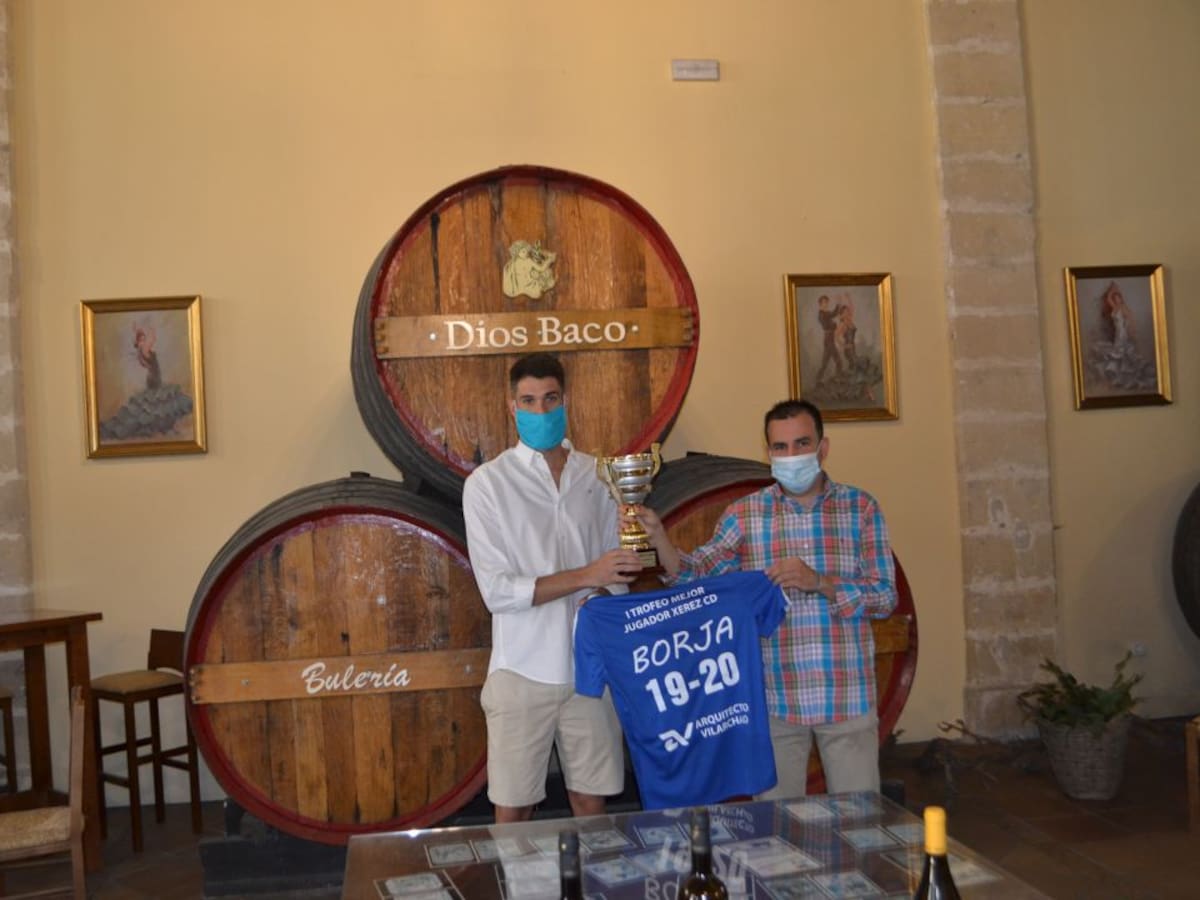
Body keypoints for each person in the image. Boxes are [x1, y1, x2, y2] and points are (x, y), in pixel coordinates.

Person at [638, 399, 897, 797]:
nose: (791, 455)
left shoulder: (860, 508)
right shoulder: (745, 514)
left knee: (858, 819)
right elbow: (694, 576)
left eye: (801, 444)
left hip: (846, 695)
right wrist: (658, 537)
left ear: (823, 448)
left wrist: (821, 583)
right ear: (768, 453)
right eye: (780, 447)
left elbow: (885, 596)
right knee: (776, 823)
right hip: (775, 700)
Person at [462, 352, 641, 823]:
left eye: (550, 399)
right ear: (511, 407)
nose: (540, 411)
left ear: (566, 401)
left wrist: (615, 575)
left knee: (592, 805)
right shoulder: (487, 484)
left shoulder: (598, 474)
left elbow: (615, 571)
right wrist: (587, 576)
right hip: (521, 671)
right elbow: (498, 592)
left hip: (590, 672)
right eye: (528, 401)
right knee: (513, 810)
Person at [814, 295, 845, 386]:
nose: (826, 304)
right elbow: (833, 315)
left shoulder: (825, 313)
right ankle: (838, 378)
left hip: (829, 339)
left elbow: (833, 315)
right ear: (820, 304)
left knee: (825, 362)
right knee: (838, 360)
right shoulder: (822, 314)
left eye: (827, 302)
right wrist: (838, 304)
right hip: (829, 340)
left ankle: (818, 380)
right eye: (824, 302)